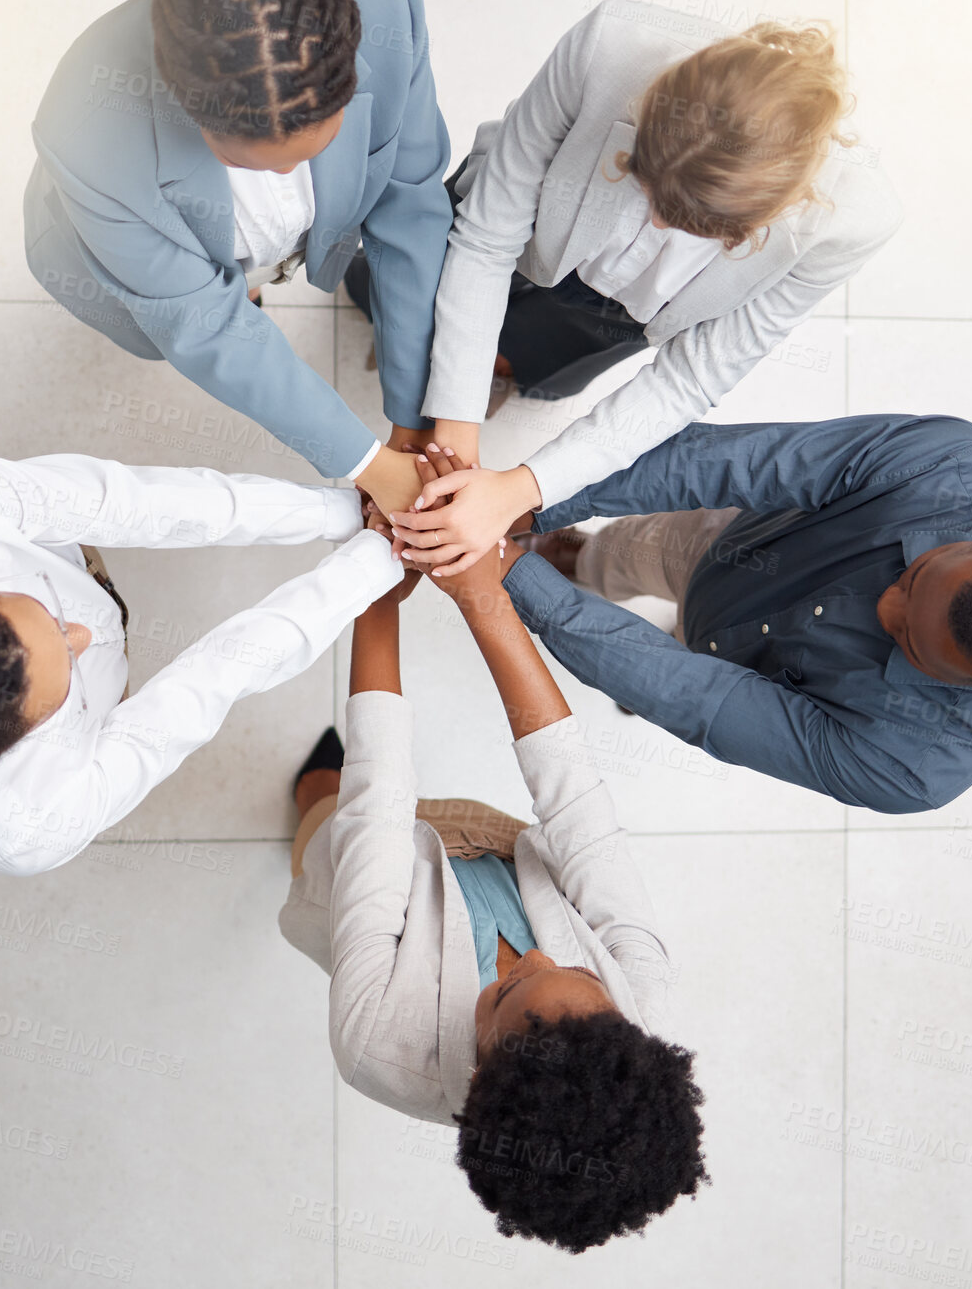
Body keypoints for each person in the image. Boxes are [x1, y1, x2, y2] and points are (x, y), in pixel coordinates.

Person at [278, 450, 707, 1254]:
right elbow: (576, 807)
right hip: (497, 848)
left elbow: (377, 811)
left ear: (478, 1074)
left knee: (328, 812)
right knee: (415, 806)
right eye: (580, 978)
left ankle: (304, 801)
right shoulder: (642, 1021)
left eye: (507, 995)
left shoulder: (378, 1044)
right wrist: (481, 597)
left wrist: (380, 585)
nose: (538, 962)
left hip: (377, 882)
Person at [365, 0, 902, 571]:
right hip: (518, 225)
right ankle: (395, 328)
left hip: (632, 313)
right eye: (642, 183)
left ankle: (506, 369)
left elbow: (689, 378)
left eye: (703, 229)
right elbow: (485, 242)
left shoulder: (852, 222)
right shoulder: (607, 47)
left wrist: (518, 489)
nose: (660, 224)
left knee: (550, 358)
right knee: (401, 294)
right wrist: (456, 440)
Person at [23, 0, 451, 516]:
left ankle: (250, 278)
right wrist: (365, 463)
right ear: (190, 107)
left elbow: (408, 206)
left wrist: (414, 412)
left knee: (248, 288)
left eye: (311, 147)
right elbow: (201, 320)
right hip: (121, 249)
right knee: (206, 313)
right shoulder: (85, 130)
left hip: (216, 235)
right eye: (246, 159)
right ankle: (244, 280)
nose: (284, 181)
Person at [0, 454, 401, 875]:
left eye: (40, 611)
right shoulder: (28, 823)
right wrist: (374, 566)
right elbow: (207, 682)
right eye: (62, 668)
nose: (80, 633)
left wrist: (340, 513)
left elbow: (131, 502)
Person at [456, 416, 972, 813]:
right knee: (623, 554)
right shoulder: (955, 469)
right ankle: (578, 559)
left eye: (905, 638)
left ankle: (619, 619)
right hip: (729, 548)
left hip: (737, 676)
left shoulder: (918, 765)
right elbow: (722, 462)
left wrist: (511, 577)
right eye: (914, 576)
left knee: (659, 672)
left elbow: (700, 699)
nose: (885, 602)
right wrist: (530, 502)